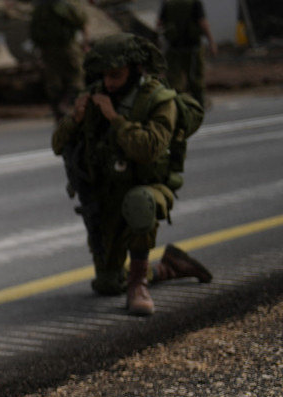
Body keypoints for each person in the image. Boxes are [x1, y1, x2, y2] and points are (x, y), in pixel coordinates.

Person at [51, 34, 212, 316]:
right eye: (104, 75)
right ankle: (169, 267)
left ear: (136, 69)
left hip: (148, 188)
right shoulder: (93, 97)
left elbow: (147, 149)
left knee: (139, 203)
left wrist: (115, 118)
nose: (109, 82)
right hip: (106, 197)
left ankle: (138, 285)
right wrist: (73, 120)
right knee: (107, 283)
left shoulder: (159, 101)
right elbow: (57, 145)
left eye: (116, 75)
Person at [29, 0, 90, 120]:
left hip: (47, 49)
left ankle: (57, 109)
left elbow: (33, 30)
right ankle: (66, 103)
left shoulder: (40, 7)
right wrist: (86, 43)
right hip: (67, 46)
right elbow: (82, 23)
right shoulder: (67, 5)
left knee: (53, 80)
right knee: (77, 75)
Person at [158, 0, 218, 107]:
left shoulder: (168, 3)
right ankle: (199, 104)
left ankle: (176, 105)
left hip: (173, 47)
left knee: (174, 79)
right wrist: (211, 42)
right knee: (195, 77)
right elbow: (203, 23)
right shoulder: (195, 2)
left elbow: (159, 23)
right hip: (192, 47)